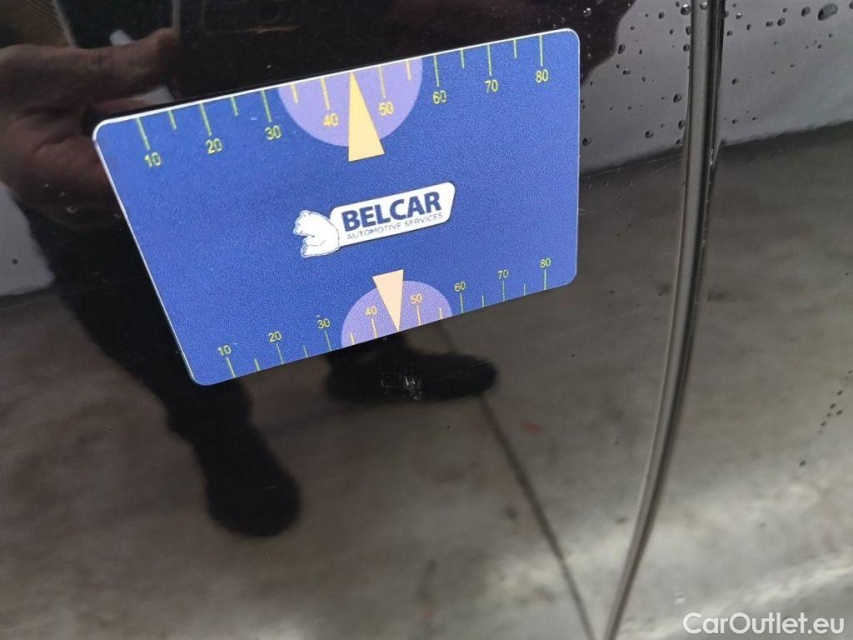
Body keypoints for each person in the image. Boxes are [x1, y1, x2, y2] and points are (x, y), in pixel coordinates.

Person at [0, 16, 499, 538]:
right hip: (51, 88)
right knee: (118, 278)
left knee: (325, 216)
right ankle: (218, 435)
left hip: (277, 54)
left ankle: (371, 361)